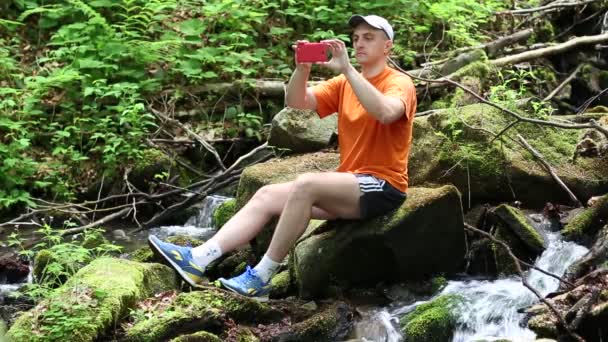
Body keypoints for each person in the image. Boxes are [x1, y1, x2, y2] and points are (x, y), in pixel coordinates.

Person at [148, 14, 417, 297]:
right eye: (356, 38)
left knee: (306, 184)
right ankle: (198, 258)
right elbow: (296, 102)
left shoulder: (399, 82)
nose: (359, 43)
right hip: (350, 184)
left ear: (387, 46)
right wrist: (302, 69)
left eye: (368, 38)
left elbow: (387, 113)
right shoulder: (343, 84)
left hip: (383, 186)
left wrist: (349, 70)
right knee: (267, 195)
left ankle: (262, 275)